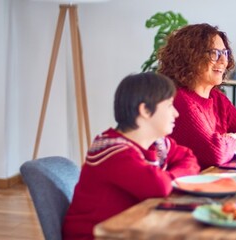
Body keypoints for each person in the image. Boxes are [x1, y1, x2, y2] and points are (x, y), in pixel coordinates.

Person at [62, 72, 200, 239]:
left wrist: (169, 178)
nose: (176, 113)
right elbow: (160, 186)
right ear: (145, 110)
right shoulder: (113, 152)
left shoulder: (157, 144)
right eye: (170, 105)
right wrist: (174, 178)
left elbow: (189, 159)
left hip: (129, 230)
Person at [158, 23, 236, 169]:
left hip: (209, 182)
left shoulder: (217, 98)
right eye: (214, 53)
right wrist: (235, 138)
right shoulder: (180, 100)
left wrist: (227, 140)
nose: (223, 61)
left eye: (225, 53)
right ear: (191, 56)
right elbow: (215, 153)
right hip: (183, 188)